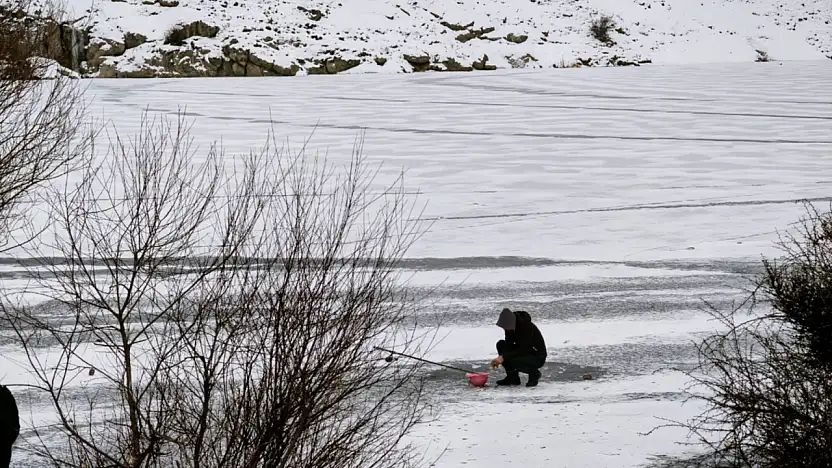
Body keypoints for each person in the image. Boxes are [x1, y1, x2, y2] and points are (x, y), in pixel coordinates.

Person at [491, 307, 547, 387]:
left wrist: (504, 357)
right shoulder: (510, 327)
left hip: (536, 356)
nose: (505, 329)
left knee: (512, 358)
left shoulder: (526, 326)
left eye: (506, 327)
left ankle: (534, 374)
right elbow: (509, 344)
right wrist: (502, 356)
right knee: (501, 345)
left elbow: (524, 349)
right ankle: (512, 378)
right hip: (523, 351)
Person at [0, 384, 18, 468]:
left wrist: (11, 435)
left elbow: (14, 419)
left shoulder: (4, 393)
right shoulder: (5, 393)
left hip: (4, 441)